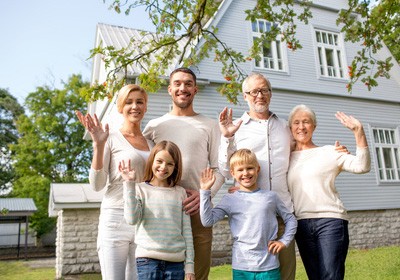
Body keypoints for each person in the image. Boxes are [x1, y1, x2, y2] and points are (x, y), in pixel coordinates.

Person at [217, 72, 348, 280]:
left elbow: (305, 151)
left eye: (264, 90)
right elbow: (225, 170)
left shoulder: (285, 127)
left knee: (286, 274)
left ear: (270, 93)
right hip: (252, 218)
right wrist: (227, 137)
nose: (259, 95)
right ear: (245, 96)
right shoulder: (236, 129)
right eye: (254, 91)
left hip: (284, 214)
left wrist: (335, 151)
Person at [143, 67, 225, 280]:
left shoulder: (209, 125)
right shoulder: (154, 126)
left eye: (188, 83)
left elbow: (220, 169)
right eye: (177, 83)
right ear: (169, 89)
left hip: (197, 209)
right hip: (162, 211)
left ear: (195, 90)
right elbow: (146, 167)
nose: (183, 88)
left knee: (197, 275)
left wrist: (204, 195)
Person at [76, 84, 152, 280]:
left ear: (145, 107)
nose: (134, 106)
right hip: (115, 218)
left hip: (144, 219)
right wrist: (98, 146)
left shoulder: (152, 143)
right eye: (129, 102)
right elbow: (97, 185)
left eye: (139, 102)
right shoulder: (109, 138)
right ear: (120, 107)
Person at [287, 105, 371, 280]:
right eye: (296, 122)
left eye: (306, 122)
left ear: (314, 126)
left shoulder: (330, 152)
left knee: (331, 276)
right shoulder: (285, 159)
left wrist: (358, 132)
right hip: (301, 224)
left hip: (331, 221)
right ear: (290, 128)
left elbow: (362, 166)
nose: (301, 127)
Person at [200, 149, 297, 280]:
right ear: (233, 173)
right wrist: (205, 191)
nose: (245, 173)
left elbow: (290, 219)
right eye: (240, 170)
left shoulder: (271, 197)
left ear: (257, 169)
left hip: (269, 267)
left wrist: (284, 241)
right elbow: (207, 221)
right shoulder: (230, 199)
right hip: (241, 267)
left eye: (250, 168)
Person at [120, 140, 195, 280]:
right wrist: (129, 185)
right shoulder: (140, 189)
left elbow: (187, 232)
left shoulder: (180, 193)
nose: (163, 167)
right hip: (147, 261)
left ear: (176, 167)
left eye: (170, 163)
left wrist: (190, 266)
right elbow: (131, 219)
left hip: (176, 264)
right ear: (152, 161)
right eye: (159, 161)